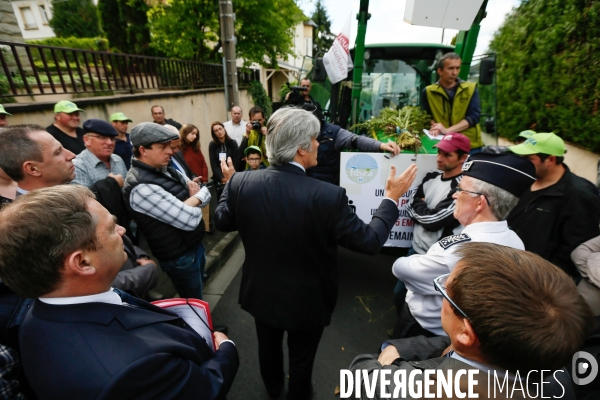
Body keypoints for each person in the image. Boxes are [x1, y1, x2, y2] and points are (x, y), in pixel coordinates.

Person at [214, 107, 418, 399]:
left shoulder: (241, 183)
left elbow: (223, 221)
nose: (320, 144)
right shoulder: (328, 196)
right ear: (301, 149)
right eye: (315, 138)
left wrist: (229, 185)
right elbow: (370, 241)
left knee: (267, 349)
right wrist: (391, 199)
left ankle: (272, 390)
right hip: (307, 301)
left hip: (261, 294)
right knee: (302, 360)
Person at [0, 185, 238, 399]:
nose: (123, 230)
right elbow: (205, 389)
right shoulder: (132, 370)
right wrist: (227, 350)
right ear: (82, 262)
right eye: (112, 227)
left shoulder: (42, 312)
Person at [350, 242, 592, 399]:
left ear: (466, 333)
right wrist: (399, 346)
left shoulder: (418, 388)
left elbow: (360, 374)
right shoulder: (558, 376)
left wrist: (385, 359)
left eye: (445, 289)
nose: (442, 288)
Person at [392, 153, 536, 338]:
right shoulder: (515, 241)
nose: (454, 195)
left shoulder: (456, 249)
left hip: (423, 327)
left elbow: (403, 269)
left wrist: (411, 259)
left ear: (479, 203)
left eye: (461, 190)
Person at [123, 122, 211, 299]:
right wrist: (196, 198)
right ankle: (201, 327)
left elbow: (205, 191)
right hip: (180, 256)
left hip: (193, 245)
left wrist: (188, 203)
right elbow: (191, 219)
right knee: (193, 302)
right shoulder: (140, 186)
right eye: (162, 147)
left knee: (199, 292)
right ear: (143, 150)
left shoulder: (166, 170)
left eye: (169, 146)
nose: (170, 151)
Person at [391, 133, 469, 325]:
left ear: (463, 158)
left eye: (448, 155)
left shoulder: (463, 187)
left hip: (437, 259)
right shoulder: (431, 176)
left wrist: (421, 209)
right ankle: (402, 326)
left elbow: (433, 220)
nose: (440, 158)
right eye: (439, 152)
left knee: (425, 307)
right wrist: (422, 208)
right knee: (399, 295)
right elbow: (410, 204)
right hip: (414, 249)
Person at [507, 132, 600, 280]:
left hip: (538, 282)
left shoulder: (580, 194)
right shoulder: (524, 180)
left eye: (528, 158)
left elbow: (575, 249)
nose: (521, 162)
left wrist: (542, 278)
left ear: (550, 160)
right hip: (509, 267)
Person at [421, 53, 484, 152]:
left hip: (470, 146)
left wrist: (446, 131)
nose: (455, 72)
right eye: (450, 68)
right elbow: (426, 116)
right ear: (440, 71)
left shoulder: (471, 89)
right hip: (443, 145)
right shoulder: (428, 92)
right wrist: (436, 127)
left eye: (457, 68)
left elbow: (474, 117)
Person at [72, 119, 128, 189]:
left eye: (112, 138)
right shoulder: (77, 166)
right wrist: (111, 184)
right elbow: (82, 198)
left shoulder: (118, 160)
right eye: (102, 138)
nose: (109, 142)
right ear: (87, 140)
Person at [180, 124, 212, 233]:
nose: (194, 137)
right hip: (189, 184)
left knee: (204, 207)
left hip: (200, 181)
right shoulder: (179, 150)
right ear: (185, 133)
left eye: (196, 134)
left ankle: (206, 228)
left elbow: (203, 164)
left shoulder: (196, 149)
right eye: (192, 133)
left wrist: (204, 179)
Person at [208, 121, 238, 197]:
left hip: (233, 176)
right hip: (219, 179)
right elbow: (213, 163)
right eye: (216, 131)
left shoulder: (233, 143)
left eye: (220, 129)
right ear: (214, 133)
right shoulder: (212, 145)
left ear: (224, 129)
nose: (219, 132)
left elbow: (236, 160)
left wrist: (231, 175)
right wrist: (221, 177)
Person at [235, 106, 269, 170]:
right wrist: (247, 135)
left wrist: (267, 136)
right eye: (254, 121)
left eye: (259, 120)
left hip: (266, 168)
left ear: (264, 119)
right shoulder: (248, 133)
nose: (257, 123)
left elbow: (271, 154)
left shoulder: (269, 133)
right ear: (250, 120)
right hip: (251, 169)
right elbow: (240, 155)